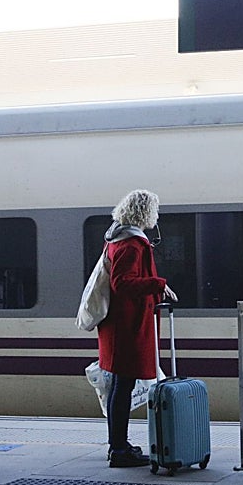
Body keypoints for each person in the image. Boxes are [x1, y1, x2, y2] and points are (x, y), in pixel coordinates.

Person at [98, 189, 178, 467]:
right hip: (128, 326)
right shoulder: (131, 244)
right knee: (123, 386)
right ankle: (119, 450)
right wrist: (158, 283)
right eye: (154, 210)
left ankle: (118, 445)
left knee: (120, 386)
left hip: (123, 325)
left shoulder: (117, 239)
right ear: (145, 212)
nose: (156, 216)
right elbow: (122, 283)